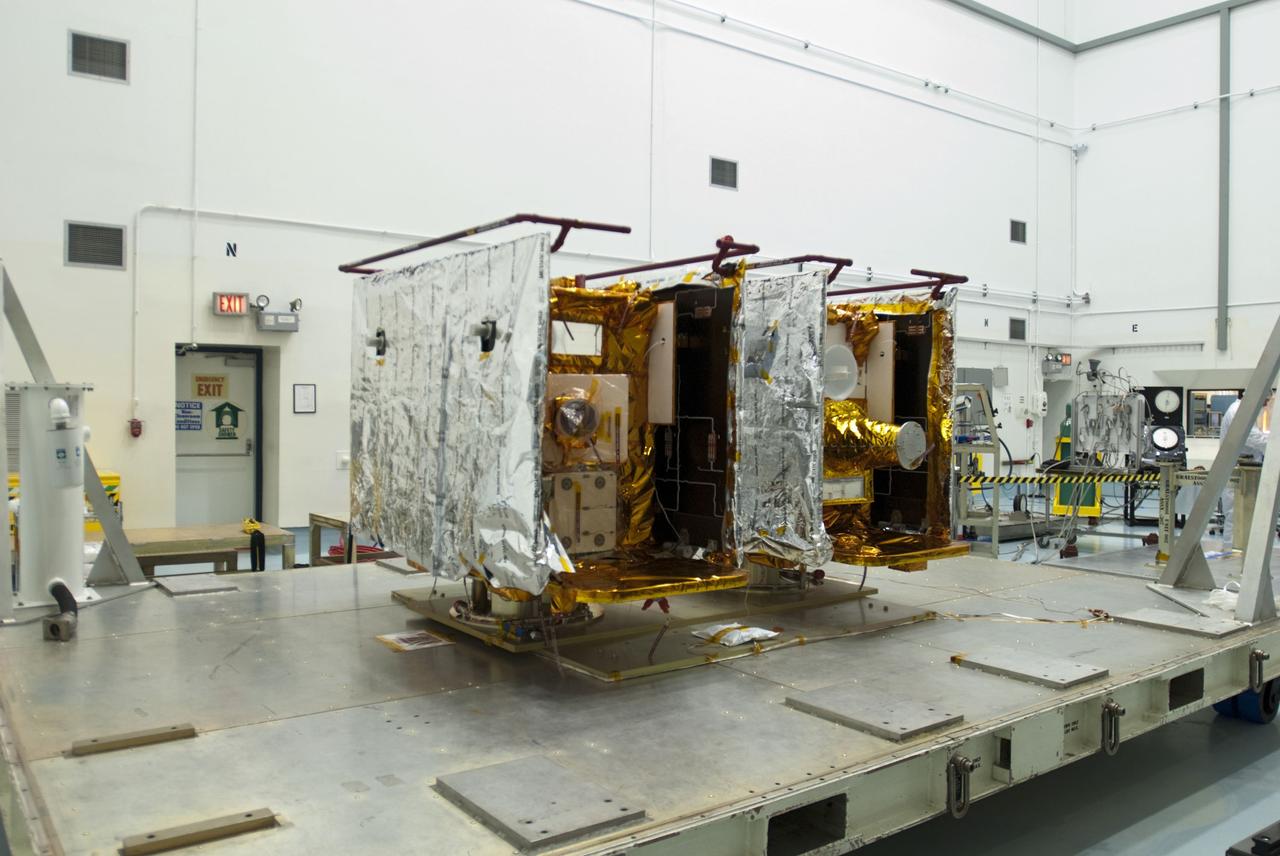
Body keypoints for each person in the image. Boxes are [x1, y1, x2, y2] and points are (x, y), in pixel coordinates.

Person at [1219, 390, 1272, 551]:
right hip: (1237, 470)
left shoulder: (1245, 410)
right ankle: (1232, 554)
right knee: (1236, 515)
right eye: (1265, 400)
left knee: (1245, 515)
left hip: (1246, 471)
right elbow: (1252, 437)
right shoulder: (1238, 411)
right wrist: (1274, 443)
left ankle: (1243, 553)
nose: (1266, 404)